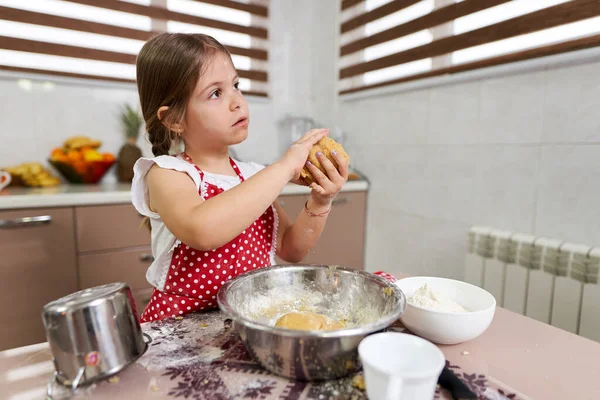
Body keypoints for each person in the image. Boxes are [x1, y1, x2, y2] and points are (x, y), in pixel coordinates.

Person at [130, 32, 350, 322]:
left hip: (245, 322)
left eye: (235, 85)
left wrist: (320, 202)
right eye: (215, 93)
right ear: (174, 120)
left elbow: (291, 248)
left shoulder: (253, 177)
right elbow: (202, 230)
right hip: (182, 330)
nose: (237, 101)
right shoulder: (167, 173)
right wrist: (283, 168)